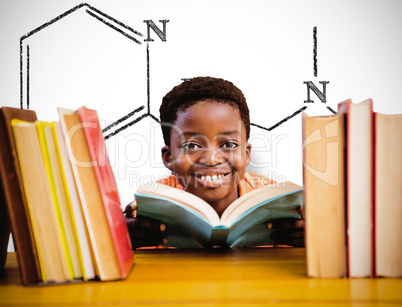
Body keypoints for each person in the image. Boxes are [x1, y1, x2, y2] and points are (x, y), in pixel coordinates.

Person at [124, 76, 304, 249]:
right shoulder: (154, 203)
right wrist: (121, 239)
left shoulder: (275, 201)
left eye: (228, 144)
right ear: (169, 157)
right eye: (192, 146)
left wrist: (309, 237)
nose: (211, 159)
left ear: (247, 154)